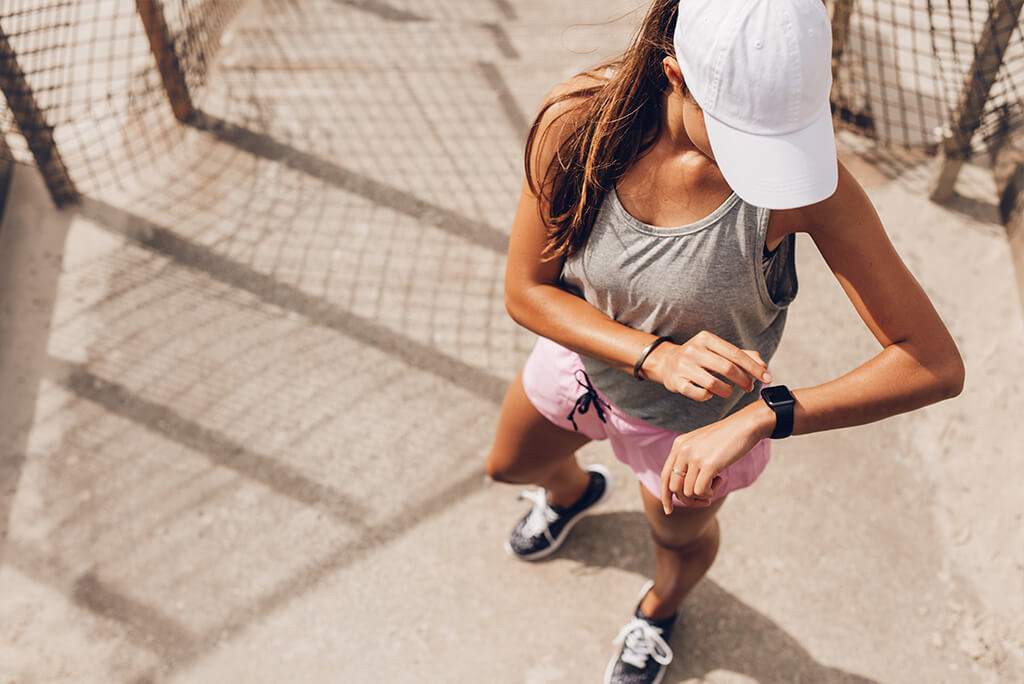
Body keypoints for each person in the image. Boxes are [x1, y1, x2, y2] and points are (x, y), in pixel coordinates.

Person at [484, 0, 965, 682]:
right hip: (582, 369)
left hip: (690, 435)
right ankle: (570, 493)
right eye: (749, 136)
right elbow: (526, 291)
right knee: (508, 466)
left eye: (791, 133)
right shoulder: (577, 125)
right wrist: (655, 355)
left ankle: (658, 610)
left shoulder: (806, 188)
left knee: (674, 542)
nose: (775, 167)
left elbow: (933, 364)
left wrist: (765, 415)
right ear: (675, 76)